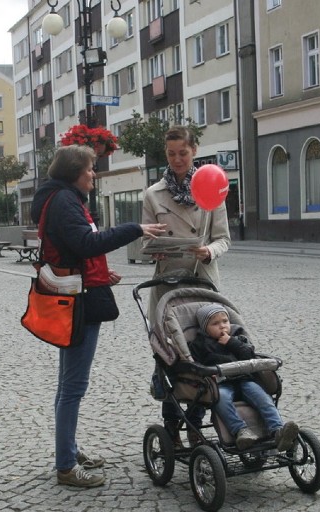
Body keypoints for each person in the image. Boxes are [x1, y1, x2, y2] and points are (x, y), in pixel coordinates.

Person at [32, 144, 166, 488]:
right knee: (73, 385)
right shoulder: (65, 201)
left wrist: (99, 274)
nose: (94, 174)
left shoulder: (64, 198)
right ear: (74, 171)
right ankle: (65, 466)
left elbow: (75, 247)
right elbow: (87, 243)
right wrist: (134, 228)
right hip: (77, 303)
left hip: (79, 292)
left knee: (68, 384)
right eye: (90, 168)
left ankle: (69, 448)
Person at [142, 125, 231, 447]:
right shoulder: (153, 194)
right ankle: (171, 430)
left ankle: (195, 427)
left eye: (183, 152)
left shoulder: (213, 188)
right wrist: (155, 246)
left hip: (202, 282)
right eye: (171, 154)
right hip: (167, 285)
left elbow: (223, 238)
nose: (177, 159)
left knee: (202, 356)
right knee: (169, 359)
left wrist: (210, 251)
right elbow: (145, 238)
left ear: (194, 151)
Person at [189, 303, 299, 452]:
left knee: (263, 398)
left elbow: (249, 356)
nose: (222, 326)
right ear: (204, 327)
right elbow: (195, 363)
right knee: (220, 399)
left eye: (225, 321)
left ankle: (278, 430)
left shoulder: (237, 338)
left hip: (244, 379)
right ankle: (241, 431)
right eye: (215, 323)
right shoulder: (199, 344)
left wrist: (231, 342)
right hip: (220, 383)